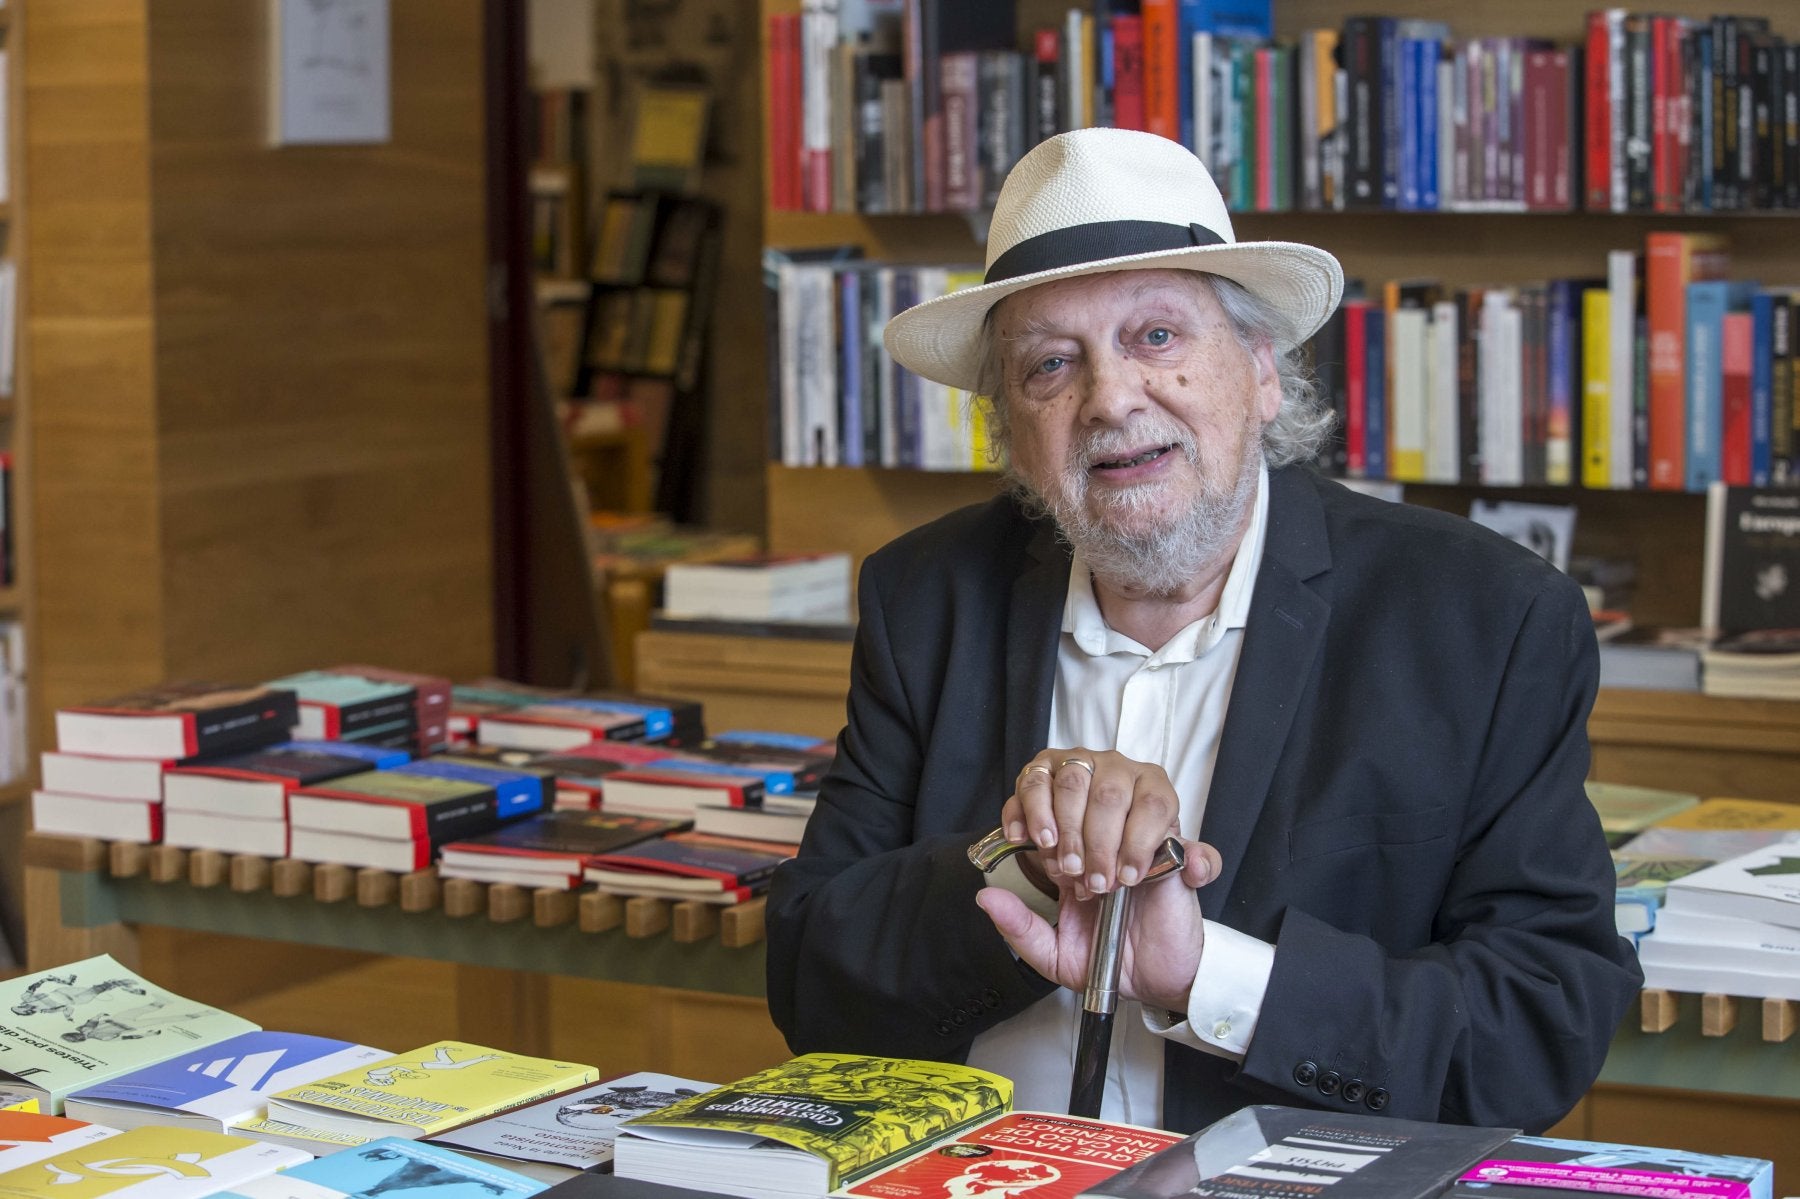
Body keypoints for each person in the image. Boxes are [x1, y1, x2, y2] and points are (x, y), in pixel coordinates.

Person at [764, 127, 1642, 1136]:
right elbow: (810, 980)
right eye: (1052, 363)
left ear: (1262, 371)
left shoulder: (1484, 618)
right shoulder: (926, 596)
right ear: (1011, 430)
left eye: (1157, 336)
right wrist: (1024, 867)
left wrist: (1211, 976)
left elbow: (1539, 1025)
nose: (1111, 398)